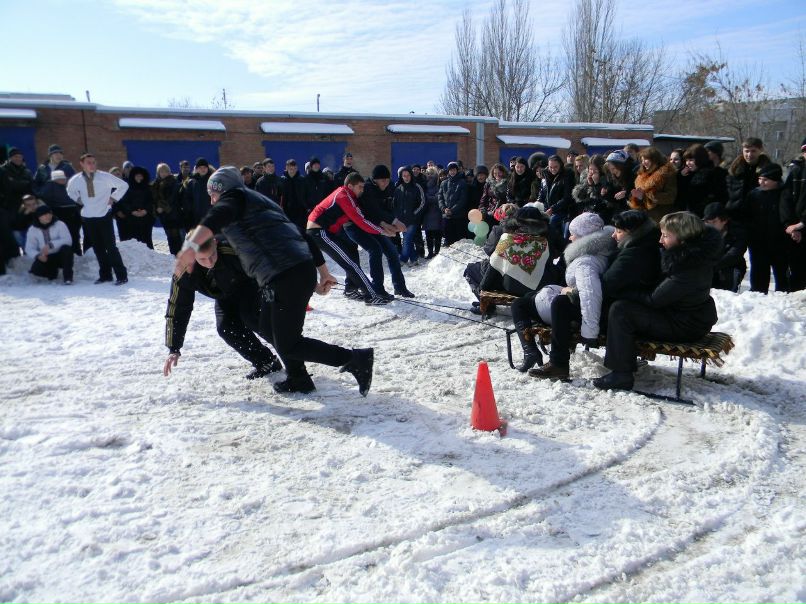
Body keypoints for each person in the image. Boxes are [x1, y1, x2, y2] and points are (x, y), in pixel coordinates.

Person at [175, 166, 375, 396]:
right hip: (288, 274)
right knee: (269, 328)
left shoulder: (237, 198)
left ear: (226, 190)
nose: (212, 201)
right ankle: (299, 379)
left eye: (213, 194)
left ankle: (355, 358)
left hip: (287, 276)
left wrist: (190, 246)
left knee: (288, 343)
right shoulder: (258, 206)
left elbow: (217, 214)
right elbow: (301, 235)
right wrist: (322, 273)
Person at [594, 212, 720, 391]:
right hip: (683, 316)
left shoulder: (689, 267)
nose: (660, 240)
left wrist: (622, 291)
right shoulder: (688, 256)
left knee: (621, 310)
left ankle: (621, 374)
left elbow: (654, 300)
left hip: (685, 325)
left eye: (666, 236)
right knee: (624, 308)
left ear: (683, 237)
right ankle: (625, 360)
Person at [163, 237, 283, 380]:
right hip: (224, 294)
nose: (209, 262)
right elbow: (178, 307)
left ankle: (293, 353)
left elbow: (267, 266)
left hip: (250, 285)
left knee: (253, 318)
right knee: (226, 328)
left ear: (215, 243)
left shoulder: (233, 250)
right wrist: (174, 347)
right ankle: (266, 362)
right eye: (202, 259)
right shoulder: (184, 271)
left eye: (212, 255)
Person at [526, 213, 616, 380]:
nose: (570, 237)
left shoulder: (586, 261)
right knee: (541, 299)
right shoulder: (599, 250)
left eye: (574, 234)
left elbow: (590, 295)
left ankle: (558, 363)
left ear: (584, 237)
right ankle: (542, 355)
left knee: (560, 303)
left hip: (592, 313)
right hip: (594, 307)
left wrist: (589, 332)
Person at [308, 172, 392, 305]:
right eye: (360, 187)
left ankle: (350, 289)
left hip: (325, 231)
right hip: (319, 232)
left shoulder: (347, 196)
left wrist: (382, 226)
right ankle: (371, 296)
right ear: (350, 186)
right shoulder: (344, 196)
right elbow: (360, 220)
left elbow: (361, 216)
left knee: (351, 253)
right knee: (351, 264)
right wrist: (382, 231)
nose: (362, 190)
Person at [346, 165, 412, 299]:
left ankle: (400, 287)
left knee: (392, 253)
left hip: (377, 224)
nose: (385, 183)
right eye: (382, 180)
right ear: (375, 180)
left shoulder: (389, 187)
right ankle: (376, 289)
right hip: (360, 225)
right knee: (374, 250)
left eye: (387, 180)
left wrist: (392, 222)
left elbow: (390, 207)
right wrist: (392, 222)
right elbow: (372, 210)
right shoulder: (367, 188)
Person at [66, 153, 129, 285]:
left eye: (94, 162)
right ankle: (105, 275)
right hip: (88, 217)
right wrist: (78, 199)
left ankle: (121, 276)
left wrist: (113, 198)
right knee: (98, 248)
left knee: (111, 247)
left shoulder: (104, 177)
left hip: (104, 215)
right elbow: (70, 190)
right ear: (82, 164)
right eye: (88, 162)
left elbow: (123, 185)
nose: (92, 165)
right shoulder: (77, 179)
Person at [733, 163, 789, 292]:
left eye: (765, 180)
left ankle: (783, 295)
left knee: (781, 272)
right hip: (758, 240)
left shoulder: (784, 193)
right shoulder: (754, 194)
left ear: (775, 180)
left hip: (780, 241)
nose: (761, 182)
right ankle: (758, 294)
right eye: (760, 179)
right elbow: (745, 215)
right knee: (759, 272)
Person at [726, 137, 771, 231]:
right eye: (746, 151)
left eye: (753, 151)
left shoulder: (769, 171)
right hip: (734, 219)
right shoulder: (734, 170)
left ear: (760, 150)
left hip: (759, 220)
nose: (749, 154)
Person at [703, 202, 747, 292]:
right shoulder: (702, 232)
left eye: (714, 222)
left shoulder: (737, 233)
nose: (710, 225)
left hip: (729, 266)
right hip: (708, 268)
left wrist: (713, 265)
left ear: (724, 221)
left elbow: (734, 254)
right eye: (707, 222)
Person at [25, 205, 74, 284]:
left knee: (67, 249)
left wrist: (51, 245)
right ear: (39, 217)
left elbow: (68, 240)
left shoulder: (60, 224)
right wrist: (38, 255)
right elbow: (29, 248)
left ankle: (68, 277)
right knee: (36, 271)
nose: (48, 216)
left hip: (60, 255)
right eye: (45, 215)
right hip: (45, 257)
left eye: (49, 214)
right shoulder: (32, 229)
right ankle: (52, 272)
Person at [782, 138, 806, 291]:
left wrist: (802, 223)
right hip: (795, 231)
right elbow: (785, 199)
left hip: (801, 225)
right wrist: (790, 225)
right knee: (796, 271)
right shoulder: (795, 170)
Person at [629, 147, 677, 222]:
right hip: (645, 216)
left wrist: (648, 195)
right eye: (642, 160)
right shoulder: (641, 175)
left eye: (646, 159)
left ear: (655, 159)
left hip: (661, 217)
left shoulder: (667, 173)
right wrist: (637, 197)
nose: (643, 162)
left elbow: (670, 196)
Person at [678, 144, 727, 217]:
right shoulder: (687, 174)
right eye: (686, 160)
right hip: (690, 215)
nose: (688, 163)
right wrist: (682, 177)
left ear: (700, 159)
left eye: (691, 160)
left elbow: (718, 196)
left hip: (707, 216)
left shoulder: (715, 174)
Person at [393, 166, 426, 265]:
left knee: (407, 239)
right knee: (408, 240)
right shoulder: (398, 189)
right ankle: (414, 258)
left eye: (408, 175)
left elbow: (422, 202)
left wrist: (414, 213)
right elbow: (395, 205)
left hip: (413, 220)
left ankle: (403, 259)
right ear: (401, 177)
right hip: (402, 220)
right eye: (404, 176)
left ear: (411, 176)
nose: (406, 178)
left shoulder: (417, 187)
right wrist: (397, 217)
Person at [152, 163, 184, 255]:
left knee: (177, 238)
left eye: (165, 171)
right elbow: (155, 199)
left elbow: (172, 198)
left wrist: (162, 207)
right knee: (169, 237)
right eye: (161, 171)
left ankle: (180, 257)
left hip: (174, 214)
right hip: (164, 216)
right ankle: (173, 256)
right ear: (158, 173)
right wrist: (157, 208)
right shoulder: (156, 184)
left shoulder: (174, 182)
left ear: (169, 172)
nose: (164, 173)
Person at [120, 166, 155, 249]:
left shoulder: (148, 188)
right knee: (134, 240)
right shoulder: (128, 188)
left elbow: (152, 201)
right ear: (133, 176)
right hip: (131, 219)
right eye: (137, 176)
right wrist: (132, 211)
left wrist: (146, 210)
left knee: (147, 239)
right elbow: (124, 202)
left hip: (146, 218)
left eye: (141, 176)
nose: (139, 178)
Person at [438, 162, 468, 246]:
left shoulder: (462, 182)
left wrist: (452, 210)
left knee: (458, 239)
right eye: (450, 170)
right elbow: (440, 198)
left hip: (458, 215)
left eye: (454, 170)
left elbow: (462, 199)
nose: (452, 172)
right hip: (446, 215)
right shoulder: (444, 183)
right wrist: (444, 208)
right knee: (448, 238)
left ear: (457, 170)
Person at [182, 158, 213, 230]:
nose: (202, 169)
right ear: (196, 169)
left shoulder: (212, 180)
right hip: (196, 217)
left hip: (210, 215)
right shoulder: (192, 182)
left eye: (204, 167)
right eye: (200, 167)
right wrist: (189, 211)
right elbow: (187, 199)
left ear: (208, 168)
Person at [421, 166, 443, 258]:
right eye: (428, 173)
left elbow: (437, 198)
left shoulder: (439, 185)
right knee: (428, 235)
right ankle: (430, 252)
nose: (429, 175)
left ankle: (437, 252)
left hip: (436, 212)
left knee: (437, 234)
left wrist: (427, 198)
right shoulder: (424, 185)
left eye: (431, 173)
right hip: (427, 213)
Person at [280, 159, 307, 231]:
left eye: (294, 168)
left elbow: (306, 194)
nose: (292, 171)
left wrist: (306, 206)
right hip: (286, 211)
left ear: (297, 168)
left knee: (301, 231)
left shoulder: (302, 180)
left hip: (300, 211)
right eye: (290, 169)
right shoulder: (282, 180)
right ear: (286, 168)